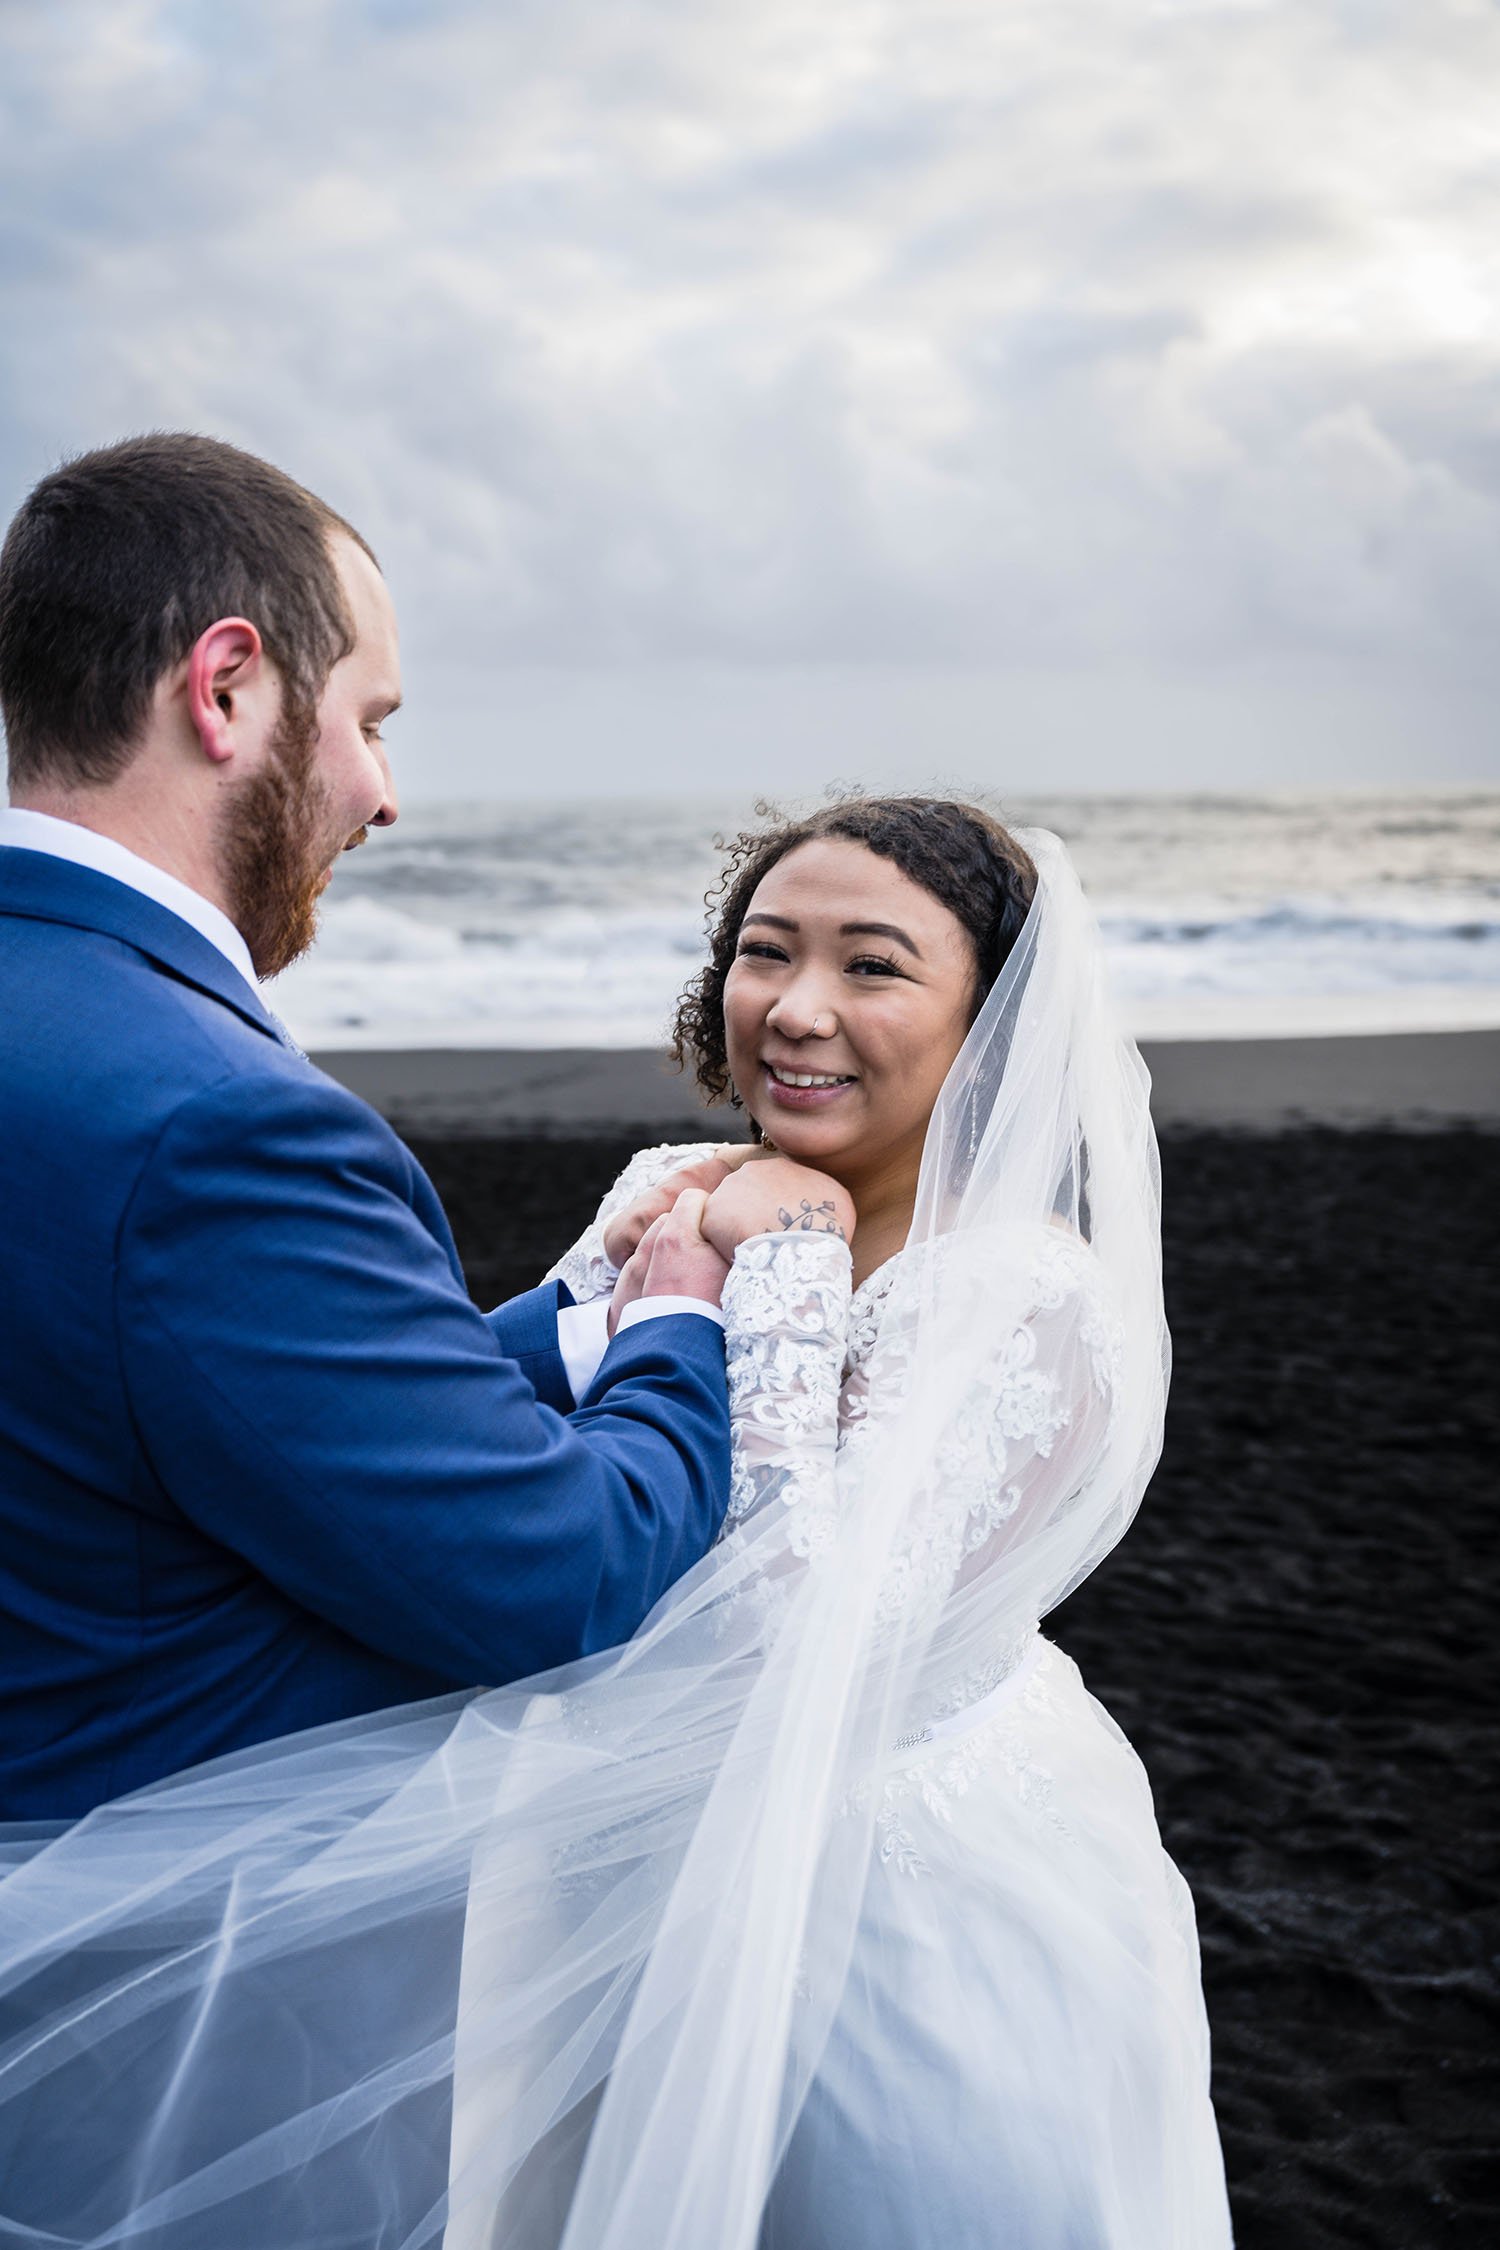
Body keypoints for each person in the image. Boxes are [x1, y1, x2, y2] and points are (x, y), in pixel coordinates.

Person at [0, 794, 1234, 2247]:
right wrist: (684, 1257)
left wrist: (774, 1264)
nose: (797, 1008)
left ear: (990, 1025)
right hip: (613, 1876)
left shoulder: (1025, 1298)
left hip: (892, 1903)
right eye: (765, 954)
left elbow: (788, 1628)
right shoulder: (670, 1183)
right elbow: (500, 1436)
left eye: (874, 966)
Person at [0, 432, 846, 1820]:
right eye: (371, 720)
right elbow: (566, 1577)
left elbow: (212, 1391)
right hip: (169, 1953)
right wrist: (682, 1317)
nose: (385, 794)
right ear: (226, 689)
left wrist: (587, 1320)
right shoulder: (221, 1125)